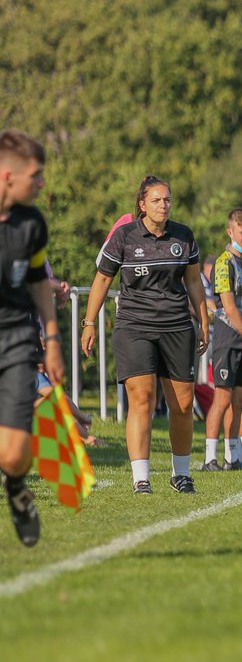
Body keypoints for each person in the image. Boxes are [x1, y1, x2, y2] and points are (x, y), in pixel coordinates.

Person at [82, 175, 208, 495]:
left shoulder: (184, 236)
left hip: (178, 326)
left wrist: (204, 322)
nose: (163, 205)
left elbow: (194, 282)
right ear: (142, 205)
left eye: (167, 200)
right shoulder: (124, 236)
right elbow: (101, 281)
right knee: (143, 399)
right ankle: (141, 477)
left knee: (182, 403)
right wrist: (89, 322)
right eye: (156, 200)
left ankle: (181, 474)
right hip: (134, 327)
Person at [0, 130, 64, 547]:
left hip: (16, 338)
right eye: (36, 176)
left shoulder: (32, 223)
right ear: (8, 176)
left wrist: (54, 338)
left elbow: (40, 279)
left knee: (14, 455)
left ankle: (17, 489)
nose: (42, 184)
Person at [202, 208, 242, 472]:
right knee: (222, 398)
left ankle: (232, 454)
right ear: (230, 232)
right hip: (229, 337)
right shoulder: (224, 262)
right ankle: (209, 456)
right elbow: (228, 305)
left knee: (240, 399)